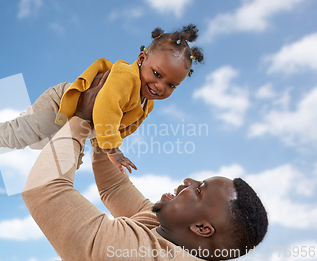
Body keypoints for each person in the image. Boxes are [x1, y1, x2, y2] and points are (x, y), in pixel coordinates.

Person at [22, 76, 269, 261]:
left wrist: (81, 117)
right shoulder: (165, 229)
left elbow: (44, 192)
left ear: (202, 229)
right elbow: (114, 187)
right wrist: (106, 127)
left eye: (199, 190)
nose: (189, 181)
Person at [0, 24, 204, 174]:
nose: (160, 86)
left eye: (171, 84)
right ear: (141, 60)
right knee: (19, 136)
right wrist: (113, 149)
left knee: (59, 159)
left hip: (81, 127)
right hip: (60, 106)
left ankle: (31, 123)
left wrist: (104, 147)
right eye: (157, 74)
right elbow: (106, 108)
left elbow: (121, 125)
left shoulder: (148, 101)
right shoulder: (126, 76)